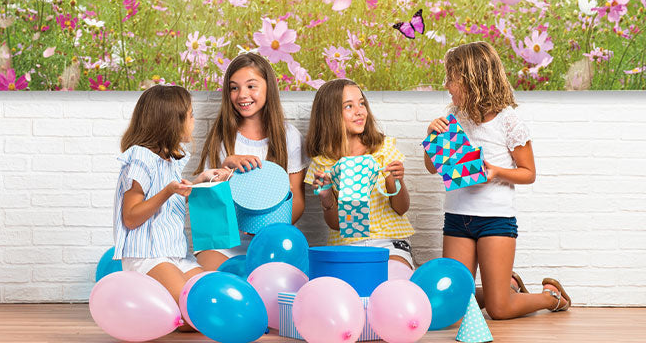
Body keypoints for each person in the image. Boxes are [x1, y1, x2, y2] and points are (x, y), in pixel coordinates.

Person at [425, 41, 571, 319]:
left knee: (498, 309)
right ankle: (507, 287)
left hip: (495, 220)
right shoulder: (453, 117)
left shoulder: (508, 121)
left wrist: (495, 172)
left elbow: (528, 173)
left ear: (471, 81)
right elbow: (433, 168)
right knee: (454, 302)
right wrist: (432, 136)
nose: (446, 85)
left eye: (451, 79)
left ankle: (551, 298)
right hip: (457, 218)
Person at [113, 84, 231, 327]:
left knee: (214, 303)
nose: (194, 121)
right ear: (172, 121)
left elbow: (168, 204)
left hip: (176, 254)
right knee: (192, 316)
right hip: (148, 255)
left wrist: (198, 182)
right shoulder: (141, 159)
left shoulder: (169, 160)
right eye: (191, 115)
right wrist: (168, 191)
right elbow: (131, 218)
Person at [195, 52, 308, 269]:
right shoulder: (222, 137)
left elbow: (297, 201)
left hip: (272, 239)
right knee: (212, 278)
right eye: (234, 88)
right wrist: (224, 171)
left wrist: (266, 230)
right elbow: (208, 205)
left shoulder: (289, 136)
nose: (242, 95)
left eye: (251, 86)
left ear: (268, 88)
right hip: (224, 241)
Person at [305, 78, 414, 269]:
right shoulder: (323, 163)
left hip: (389, 243)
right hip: (347, 246)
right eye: (349, 106)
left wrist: (397, 180)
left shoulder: (383, 148)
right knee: (349, 283)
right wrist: (326, 198)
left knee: (393, 277)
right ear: (330, 115)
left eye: (361, 103)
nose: (359, 111)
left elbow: (401, 208)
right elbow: (335, 225)